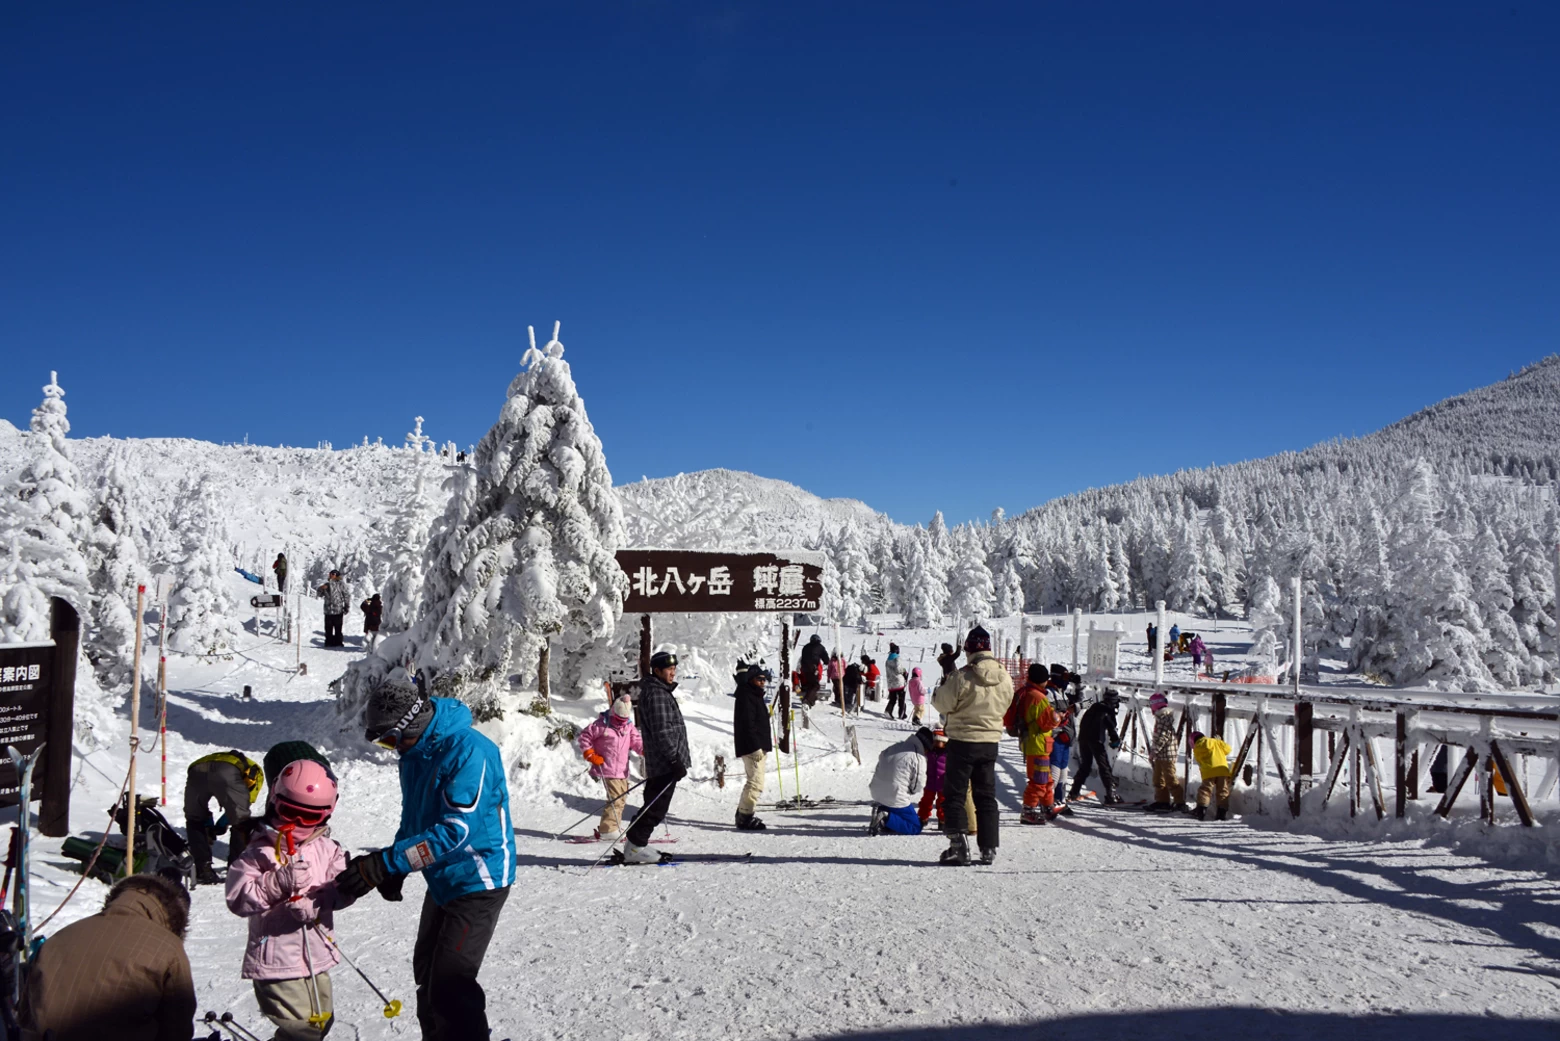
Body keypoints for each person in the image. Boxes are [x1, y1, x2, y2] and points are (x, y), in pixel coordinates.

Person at [338, 677, 516, 1041]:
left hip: (478, 879)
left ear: (412, 725)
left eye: (390, 740)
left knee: (451, 984)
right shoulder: (414, 755)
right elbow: (414, 818)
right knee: (427, 974)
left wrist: (387, 863)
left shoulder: (470, 751)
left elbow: (456, 832)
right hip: (442, 877)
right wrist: (397, 866)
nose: (391, 749)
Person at [227, 758, 354, 1039]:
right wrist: (277, 883)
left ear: (325, 814)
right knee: (303, 1032)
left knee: (321, 1022)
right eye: (289, 812)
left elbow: (344, 889)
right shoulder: (258, 852)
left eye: (308, 817)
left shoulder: (329, 850)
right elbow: (237, 899)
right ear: (275, 800)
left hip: (316, 955)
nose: (296, 823)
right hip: (276, 961)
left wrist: (319, 902)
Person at [19, 873, 196, 1040]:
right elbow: (178, 1029)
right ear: (174, 918)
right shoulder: (167, 946)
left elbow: (25, 1016)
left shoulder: (59, 938)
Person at [931, 625, 1012, 866]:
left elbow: (942, 703)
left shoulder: (963, 675)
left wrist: (946, 676)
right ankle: (988, 848)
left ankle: (958, 847)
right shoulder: (1004, 675)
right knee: (986, 795)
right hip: (990, 743)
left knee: (955, 794)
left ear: (968, 650)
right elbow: (1007, 702)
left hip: (963, 742)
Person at [623, 650, 691, 863]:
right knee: (656, 807)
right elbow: (662, 731)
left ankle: (636, 844)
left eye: (674, 669)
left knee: (653, 803)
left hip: (663, 761)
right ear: (657, 670)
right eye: (669, 669)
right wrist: (674, 759)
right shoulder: (658, 694)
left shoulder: (659, 691)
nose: (673, 673)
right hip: (664, 762)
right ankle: (635, 846)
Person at [185, 749, 263, 885]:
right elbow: (243, 806)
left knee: (194, 819)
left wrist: (210, 823)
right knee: (241, 821)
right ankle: (236, 870)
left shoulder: (222, 758)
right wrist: (225, 822)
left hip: (196, 770)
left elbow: (208, 784)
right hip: (227, 772)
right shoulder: (256, 773)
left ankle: (203, 870)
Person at [577, 695, 643, 839]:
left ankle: (614, 826)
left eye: (624, 720)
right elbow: (584, 737)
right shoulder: (601, 725)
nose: (621, 723)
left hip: (622, 770)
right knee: (615, 799)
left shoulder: (628, 726)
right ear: (613, 712)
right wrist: (590, 754)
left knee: (621, 799)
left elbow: (636, 740)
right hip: (606, 767)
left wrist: (645, 750)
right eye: (619, 719)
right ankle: (608, 830)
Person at [1006, 664, 1059, 825]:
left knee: (1046, 778)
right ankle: (1028, 811)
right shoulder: (1038, 698)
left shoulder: (1025, 693)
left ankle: (1047, 806)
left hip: (1032, 743)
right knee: (1039, 780)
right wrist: (1059, 716)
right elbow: (1048, 722)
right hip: (1038, 744)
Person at [730, 662, 772, 831]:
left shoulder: (753, 694)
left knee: (755, 781)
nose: (762, 682)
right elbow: (747, 724)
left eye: (764, 679)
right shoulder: (747, 696)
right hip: (752, 747)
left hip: (758, 746)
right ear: (750, 679)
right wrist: (755, 747)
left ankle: (744, 812)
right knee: (755, 783)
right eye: (758, 679)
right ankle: (744, 817)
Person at [868, 729, 931, 836]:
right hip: (895, 795)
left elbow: (881, 760)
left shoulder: (895, 746)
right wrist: (909, 791)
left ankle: (882, 814)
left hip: (876, 791)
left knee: (893, 807)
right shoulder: (918, 756)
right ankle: (885, 816)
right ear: (925, 746)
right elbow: (918, 785)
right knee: (915, 827)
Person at [1068, 689, 1124, 805]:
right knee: (1104, 767)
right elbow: (1111, 726)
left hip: (1083, 738)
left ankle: (1074, 792)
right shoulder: (1108, 709)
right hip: (1096, 740)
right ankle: (1111, 795)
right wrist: (1115, 740)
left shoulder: (1094, 706)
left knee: (1085, 766)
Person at [1147, 692, 1185, 811]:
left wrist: (1154, 751)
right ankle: (1162, 801)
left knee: (1170, 778)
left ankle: (1180, 802)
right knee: (1158, 778)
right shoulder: (1160, 718)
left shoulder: (1164, 718)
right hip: (1160, 754)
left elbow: (1162, 737)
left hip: (1167, 754)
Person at [1048, 685, 1079, 816]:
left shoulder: (1063, 693)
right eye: (1064, 676)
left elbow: (1083, 701)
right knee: (1054, 772)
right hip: (1056, 737)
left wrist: (1079, 687)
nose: (1066, 681)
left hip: (1066, 738)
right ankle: (1048, 803)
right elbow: (1049, 715)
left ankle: (1060, 801)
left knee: (1063, 772)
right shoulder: (1049, 693)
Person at [1191, 730, 1235, 820]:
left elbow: (1199, 761)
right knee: (1223, 791)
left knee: (1205, 791)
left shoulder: (1197, 748)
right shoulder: (1216, 742)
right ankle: (1221, 813)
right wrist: (1219, 741)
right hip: (1222, 770)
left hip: (1208, 772)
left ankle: (1201, 810)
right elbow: (1228, 749)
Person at [916, 728, 948, 828]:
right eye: (935, 741)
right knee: (926, 801)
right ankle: (923, 817)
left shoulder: (948, 754)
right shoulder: (929, 752)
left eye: (939, 741)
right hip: (929, 782)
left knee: (943, 803)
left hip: (943, 783)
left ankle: (942, 820)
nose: (936, 743)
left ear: (944, 742)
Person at [317, 569, 350, 647]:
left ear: (337, 575)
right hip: (328, 610)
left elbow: (346, 596)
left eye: (333, 574)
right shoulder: (326, 585)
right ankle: (328, 642)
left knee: (338, 628)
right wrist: (321, 588)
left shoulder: (341, 584)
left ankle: (338, 642)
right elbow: (319, 595)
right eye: (330, 574)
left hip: (338, 610)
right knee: (328, 628)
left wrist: (346, 606)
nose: (331, 575)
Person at [799, 634, 828, 707]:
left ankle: (811, 700)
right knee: (815, 685)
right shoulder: (820, 647)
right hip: (813, 668)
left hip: (804, 668)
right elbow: (826, 659)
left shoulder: (805, 647)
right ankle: (807, 701)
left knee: (808, 684)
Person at [884, 644, 909, 719]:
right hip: (899, 682)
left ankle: (888, 710)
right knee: (901, 698)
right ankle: (901, 713)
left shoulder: (888, 660)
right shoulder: (897, 659)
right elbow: (898, 669)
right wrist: (904, 671)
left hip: (890, 682)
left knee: (893, 698)